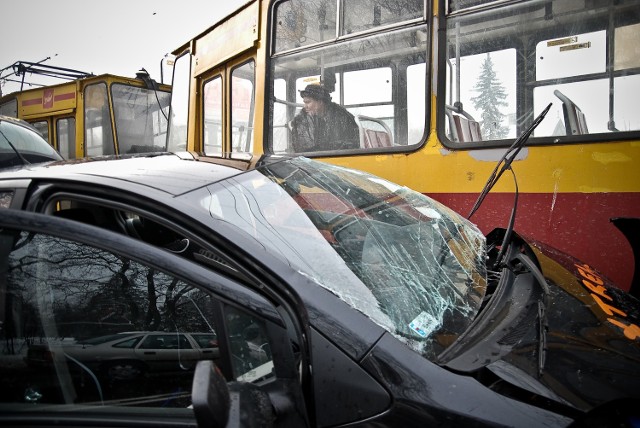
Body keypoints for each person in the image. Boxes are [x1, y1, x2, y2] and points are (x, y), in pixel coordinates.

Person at [290, 84, 360, 152]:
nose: (305, 106)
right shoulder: (304, 119)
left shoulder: (341, 117)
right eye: (304, 103)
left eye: (308, 102)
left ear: (320, 102)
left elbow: (347, 145)